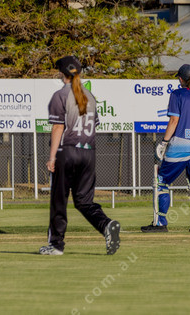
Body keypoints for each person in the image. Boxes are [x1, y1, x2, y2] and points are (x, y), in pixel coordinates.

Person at [39, 56, 120, 256]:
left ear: (62, 73)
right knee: (84, 201)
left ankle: (56, 245)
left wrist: (52, 157)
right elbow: (94, 126)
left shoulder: (60, 95)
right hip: (89, 152)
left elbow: (58, 127)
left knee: (59, 200)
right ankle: (106, 225)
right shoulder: (89, 96)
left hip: (67, 152)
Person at [141, 64, 190, 233]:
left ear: (181, 79)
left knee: (162, 181)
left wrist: (164, 142)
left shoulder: (177, 94)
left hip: (181, 143)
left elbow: (174, 121)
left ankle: (160, 223)